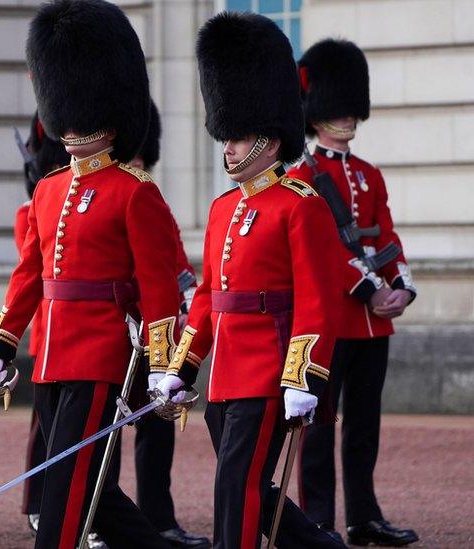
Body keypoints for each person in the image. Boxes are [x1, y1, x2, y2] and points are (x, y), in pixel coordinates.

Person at [0, 1, 181, 547]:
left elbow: (160, 288)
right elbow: (28, 279)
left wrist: (165, 366)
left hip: (98, 353)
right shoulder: (48, 190)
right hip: (48, 355)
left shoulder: (134, 192)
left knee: (66, 486)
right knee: (76, 479)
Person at [154, 12, 346, 549]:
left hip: (269, 367)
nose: (228, 148)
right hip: (224, 374)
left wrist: (302, 377)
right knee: (249, 486)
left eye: (238, 138)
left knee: (234, 485)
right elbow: (210, 299)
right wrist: (181, 366)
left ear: (268, 138)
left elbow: (317, 300)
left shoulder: (300, 205)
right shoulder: (221, 209)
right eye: (226, 137)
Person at [288, 38, 419, 547]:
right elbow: (322, 248)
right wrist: (368, 290)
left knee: (364, 425)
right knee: (320, 424)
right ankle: (319, 521)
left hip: (375, 320)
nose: (348, 120)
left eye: (351, 111)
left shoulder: (369, 175)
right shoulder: (303, 176)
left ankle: (364, 516)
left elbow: (385, 235)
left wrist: (401, 289)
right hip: (333, 320)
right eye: (338, 111)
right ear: (317, 113)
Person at [132, 101, 211, 549]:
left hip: (159, 337)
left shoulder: (155, 204)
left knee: (158, 432)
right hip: (121, 332)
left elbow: (177, 266)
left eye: (145, 162)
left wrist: (185, 305)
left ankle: (157, 518)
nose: (141, 168)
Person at [14, 113, 69, 537]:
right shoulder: (31, 208)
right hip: (47, 332)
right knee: (43, 430)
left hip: (79, 338)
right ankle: (36, 499)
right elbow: (34, 268)